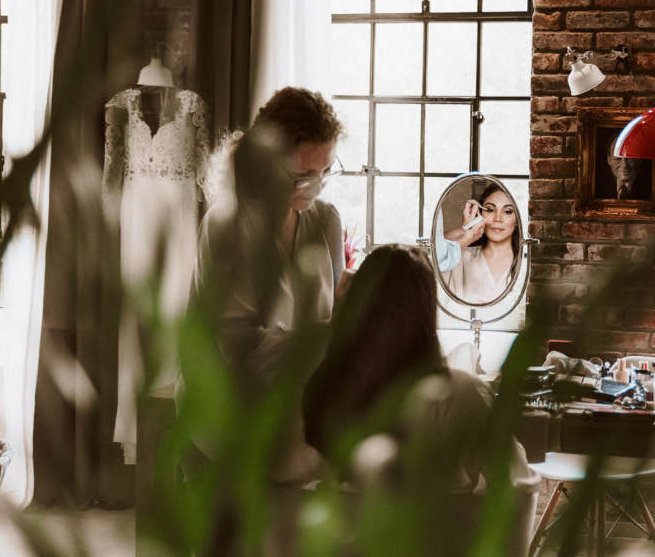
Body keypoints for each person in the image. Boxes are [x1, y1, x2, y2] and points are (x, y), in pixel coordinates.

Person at [188, 86, 346, 483]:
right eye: (301, 176)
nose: (316, 187)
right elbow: (236, 345)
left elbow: (336, 319)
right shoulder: (227, 226)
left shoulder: (326, 220)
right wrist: (326, 336)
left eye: (325, 173)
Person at [302, 243, 539, 498]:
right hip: (439, 537)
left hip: (341, 536)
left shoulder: (321, 392)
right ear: (427, 313)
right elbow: (520, 485)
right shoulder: (463, 395)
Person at [442, 184, 520, 305]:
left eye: (508, 212)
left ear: (517, 220)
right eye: (490, 210)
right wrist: (465, 229)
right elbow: (434, 246)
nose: (497, 219)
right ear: (480, 214)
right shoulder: (460, 256)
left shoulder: (525, 262)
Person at [606, 134, 649, 200]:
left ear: (639, 159)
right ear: (609, 160)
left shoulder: (649, 190)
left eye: (629, 159)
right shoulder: (599, 189)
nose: (624, 165)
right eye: (618, 159)